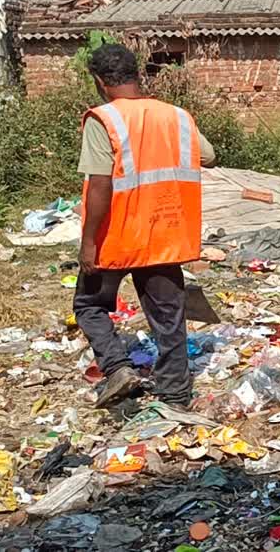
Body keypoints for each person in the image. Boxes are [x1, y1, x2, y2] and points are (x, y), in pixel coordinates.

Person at [74, 43, 216, 410]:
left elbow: (101, 184)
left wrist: (88, 242)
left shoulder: (103, 119)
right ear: (136, 75)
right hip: (165, 233)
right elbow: (208, 155)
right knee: (168, 317)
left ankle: (118, 368)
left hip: (117, 236)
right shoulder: (176, 116)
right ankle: (175, 395)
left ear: (100, 81)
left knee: (89, 305)